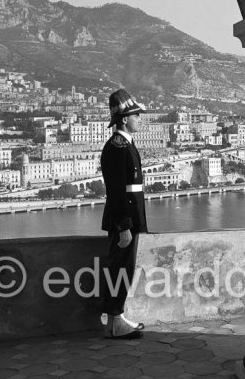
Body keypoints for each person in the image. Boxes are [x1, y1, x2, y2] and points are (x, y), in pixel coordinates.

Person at [100, 88, 148, 339]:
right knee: (120, 269)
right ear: (124, 119)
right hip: (125, 220)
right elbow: (117, 191)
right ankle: (115, 319)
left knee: (123, 269)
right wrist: (124, 225)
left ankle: (115, 317)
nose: (140, 119)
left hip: (129, 219)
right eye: (136, 115)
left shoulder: (125, 145)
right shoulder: (118, 147)